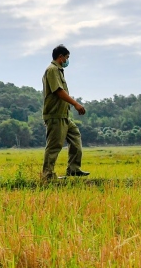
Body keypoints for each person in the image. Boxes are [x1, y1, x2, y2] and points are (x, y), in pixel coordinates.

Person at [41, 44, 89, 180]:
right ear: (60, 57)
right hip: (55, 115)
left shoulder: (59, 70)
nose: (67, 60)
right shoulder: (52, 70)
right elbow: (58, 91)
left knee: (75, 137)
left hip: (64, 115)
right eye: (67, 57)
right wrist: (76, 104)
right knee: (54, 145)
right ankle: (48, 175)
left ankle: (74, 169)